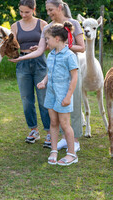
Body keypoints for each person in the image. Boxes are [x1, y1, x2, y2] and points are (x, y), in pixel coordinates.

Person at [9, 0, 85, 152]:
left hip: (70, 71)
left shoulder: (74, 24)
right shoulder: (47, 28)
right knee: (57, 105)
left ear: (59, 8)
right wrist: (22, 59)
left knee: (73, 104)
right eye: (47, 10)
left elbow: (82, 47)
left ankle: (75, 140)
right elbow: (40, 50)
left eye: (51, 10)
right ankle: (64, 138)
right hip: (54, 73)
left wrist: (63, 46)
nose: (49, 13)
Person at [10, 0, 51, 147]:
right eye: (21, 12)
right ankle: (33, 130)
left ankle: (49, 132)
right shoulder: (15, 26)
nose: (23, 15)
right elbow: (12, 45)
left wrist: (41, 48)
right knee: (27, 100)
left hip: (40, 63)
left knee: (43, 99)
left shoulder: (43, 24)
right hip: (22, 63)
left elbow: (51, 44)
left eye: (27, 12)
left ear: (34, 9)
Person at [37, 21, 79, 165]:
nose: (46, 42)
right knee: (53, 122)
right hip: (51, 93)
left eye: (47, 39)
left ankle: (72, 154)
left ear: (57, 39)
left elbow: (74, 78)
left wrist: (68, 96)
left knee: (65, 124)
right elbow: (50, 73)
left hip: (63, 95)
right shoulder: (51, 55)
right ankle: (53, 150)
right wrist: (44, 81)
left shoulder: (69, 55)